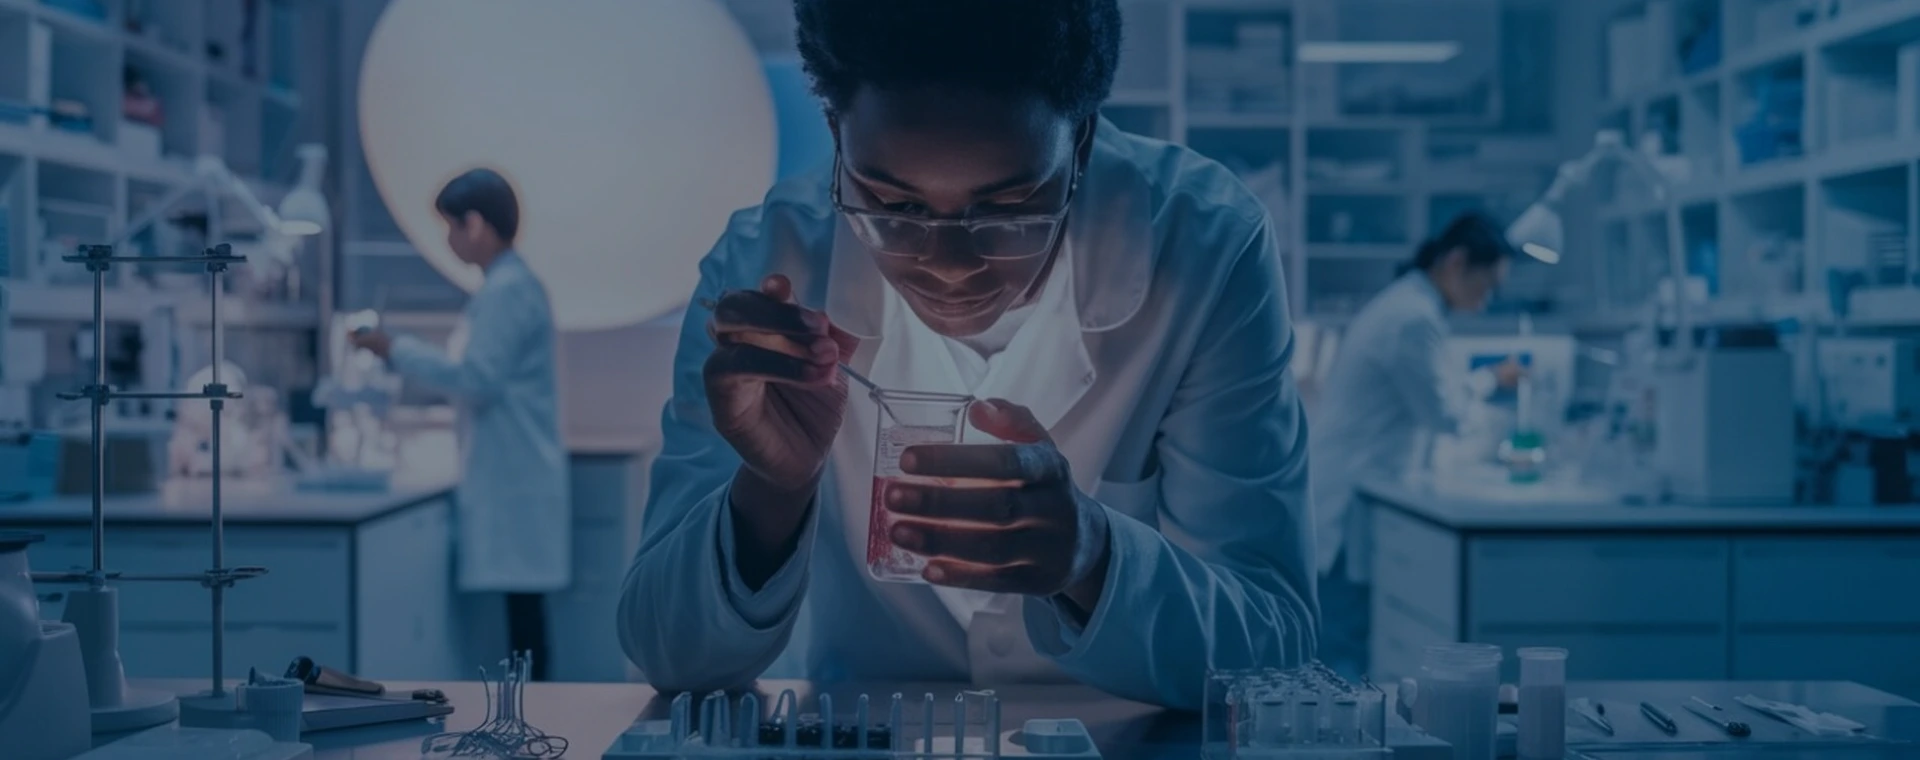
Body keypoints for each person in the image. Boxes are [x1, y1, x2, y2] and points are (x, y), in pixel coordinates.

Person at [615, 0, 1317, 710]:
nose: (949, 265)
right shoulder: (768, 262)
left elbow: (1274, 643)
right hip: (871, 733)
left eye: (1009, 208)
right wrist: (772, 488)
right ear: (836, 136)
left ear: (1080, 146)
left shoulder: (1205, 246)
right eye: (896, 207)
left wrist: (1094, 559)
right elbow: (669, 655)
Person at [349, 168, 568, 679]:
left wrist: (393, 348)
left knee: (525, 621)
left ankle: (533, 728)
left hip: (515, 476)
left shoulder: (507, 291)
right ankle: (528, 723)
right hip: (515, 471)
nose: (448, 241)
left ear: (475, 225)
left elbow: (477, 377)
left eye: (450, 227)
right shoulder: (507, 287)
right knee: (523, 616)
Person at [1308, 210, 1524, 677]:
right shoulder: (1411, 318)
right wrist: (1490, 378)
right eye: (1486, 286)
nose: (1486, 302)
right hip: (1348, 506)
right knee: (1343, 650)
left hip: (1355, 494)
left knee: (1346, 644)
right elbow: (1445, 414)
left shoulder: (1408, 306)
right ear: (1456, 262)